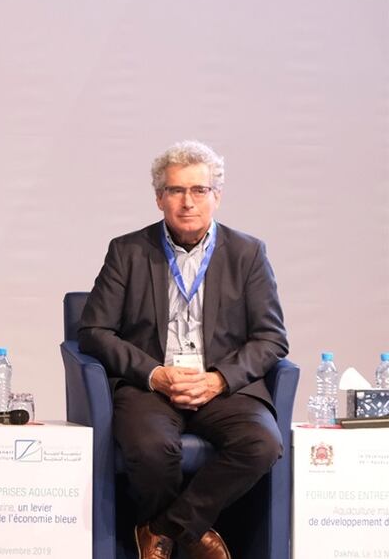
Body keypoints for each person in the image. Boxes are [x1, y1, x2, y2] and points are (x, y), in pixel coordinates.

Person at [78, 140, 288, 559]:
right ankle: (195, 537)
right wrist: (154, 373)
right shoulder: (128, 251)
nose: (188, 202)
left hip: (220, 387)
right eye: (176, 191)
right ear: (159, 198)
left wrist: (219, 379)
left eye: (199, 190)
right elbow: (94, 331)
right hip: (152, 385)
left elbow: (272, 338)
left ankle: (166, 530)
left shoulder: (248, 254)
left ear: (217, 196)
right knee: (152, 449)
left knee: (261, 444)